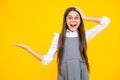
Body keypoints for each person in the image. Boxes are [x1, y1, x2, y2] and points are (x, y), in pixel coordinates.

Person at [13, 7, 111, 80]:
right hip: (65, 75)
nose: (73, 20)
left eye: (77, 18)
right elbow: (47, 60)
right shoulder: (58, 38)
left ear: (80, 20)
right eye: (70, 18)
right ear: (65, 20)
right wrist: (28, 48)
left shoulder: (84, 35)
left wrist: (85, 17)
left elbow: (106, 22)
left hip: (81, 75)